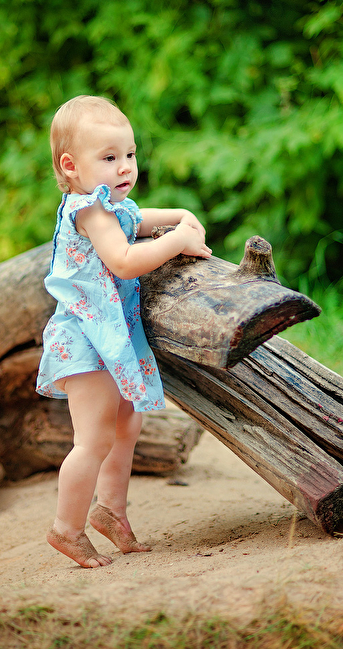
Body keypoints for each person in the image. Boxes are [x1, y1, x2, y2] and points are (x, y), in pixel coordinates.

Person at [36, 94, 211, 568]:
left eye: (130, 154)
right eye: (109, 158)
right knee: (93, 439)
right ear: (71, 166)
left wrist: (179, 217)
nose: (125, 166)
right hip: (86, 337)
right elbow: (125, 261)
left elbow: (142, 217)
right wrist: (178, 240)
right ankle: (66, 528)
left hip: (111, 336)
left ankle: (110, 511)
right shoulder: (88, 210)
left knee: (127, 425)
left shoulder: (113, 205)